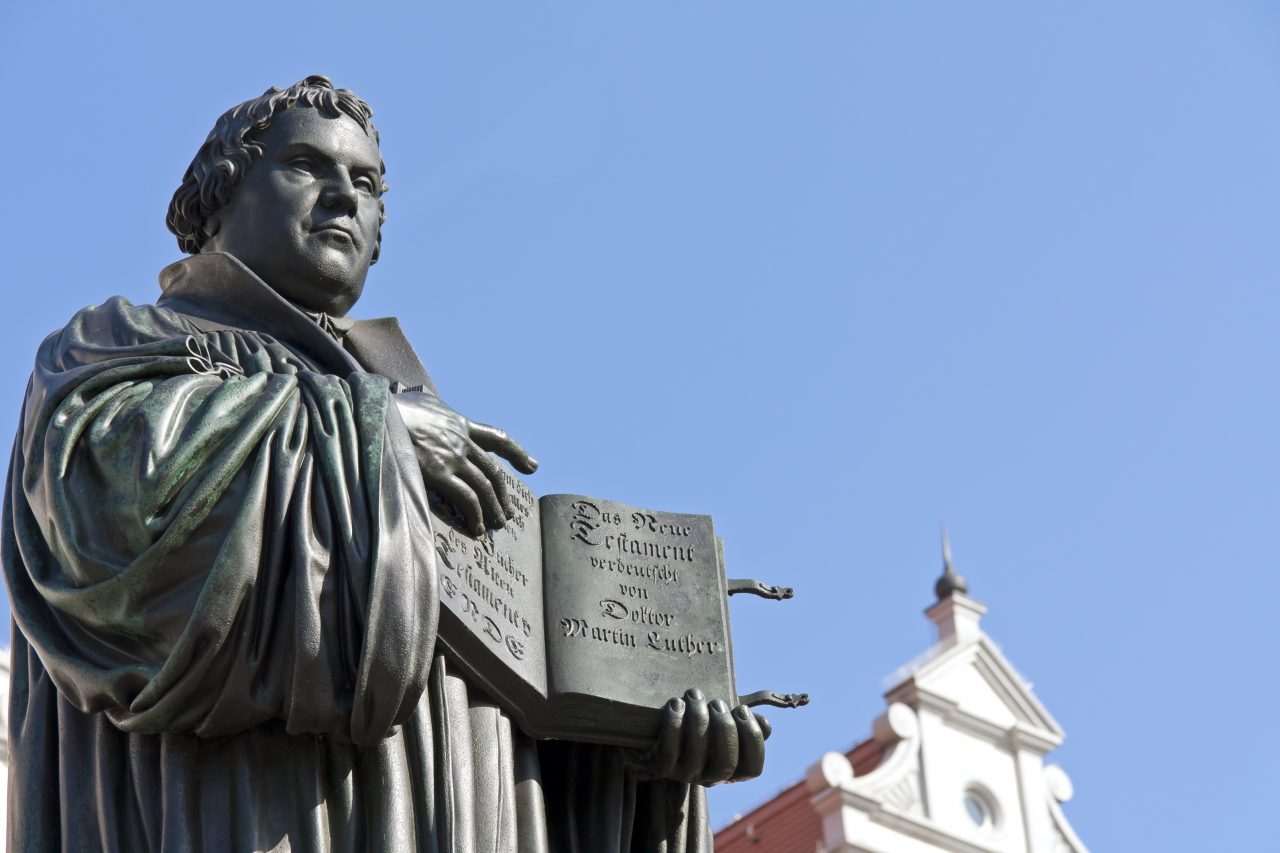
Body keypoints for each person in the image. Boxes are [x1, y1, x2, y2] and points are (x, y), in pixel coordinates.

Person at [3, 76, 767, 852]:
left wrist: (637, 766)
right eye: (306, 165)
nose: (344, 196)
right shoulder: (119, 345)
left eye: (365, 183)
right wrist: (378, 432)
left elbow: (514, 760)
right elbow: (107, 518)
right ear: (218, 198)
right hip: (241, 812)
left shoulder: (430, 426)